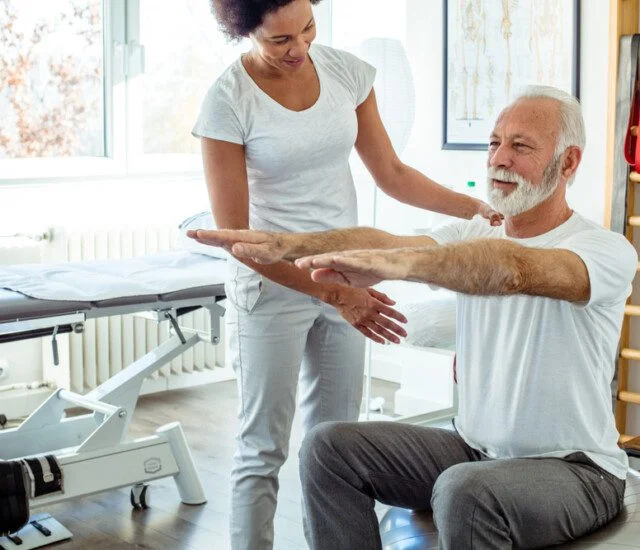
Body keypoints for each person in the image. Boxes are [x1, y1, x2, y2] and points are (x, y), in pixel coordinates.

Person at [188, 85, 638, 549]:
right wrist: (290, 244)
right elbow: (392, 241)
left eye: (520, 146)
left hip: (575, 470)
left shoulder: (601, 249)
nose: (499, 158)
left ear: (567, 163)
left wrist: (404, 265)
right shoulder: (472, 229)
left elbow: (513, 270)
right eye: (494, 142)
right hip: (475, 449)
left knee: (463, 489)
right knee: (327, 449)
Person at [192, 1, 501, 548]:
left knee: (334, 443)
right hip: (273, 286)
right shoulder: (226, 102)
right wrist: (332, 293)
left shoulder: (346, 74)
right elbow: (240, 239)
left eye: (307, 28)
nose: (299, 49)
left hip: (346, 278)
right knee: (263, 446)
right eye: (279, 39)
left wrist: (475, 210)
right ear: (244, 32)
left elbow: (393, 173)